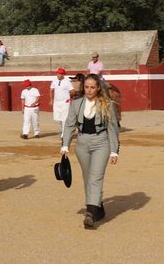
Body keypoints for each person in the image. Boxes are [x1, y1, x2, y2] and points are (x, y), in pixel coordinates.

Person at [61, 74, 119, 229]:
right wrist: (65, 145)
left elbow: (113, 129)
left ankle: (90, 214)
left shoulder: (107, 104)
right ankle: (98, 208)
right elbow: (69, 125)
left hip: (101, 143)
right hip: (82, 143)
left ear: (98, 88)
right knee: (88, 178)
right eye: (86, 87)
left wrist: (114, 151)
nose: (89, 90)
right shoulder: (76, 104)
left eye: (92, 87)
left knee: (95, 177)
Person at [49, 68, 73, 133]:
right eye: (57, 73)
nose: (58, 75)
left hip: (65, 102)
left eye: (60, 74)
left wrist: (70, 98)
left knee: (64, 119)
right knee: (57, 119)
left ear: (63, 74)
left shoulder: (67, 81)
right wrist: (51, 100)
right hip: (56, 102)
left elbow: (72, 91)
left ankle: (64, 134)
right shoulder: (54, 81)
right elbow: (51, 90)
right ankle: (61, 130)